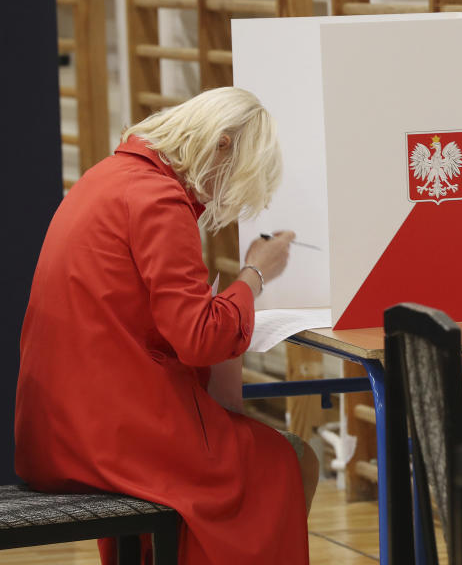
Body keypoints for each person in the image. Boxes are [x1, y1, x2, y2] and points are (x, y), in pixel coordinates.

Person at [15, 87, 318, 565]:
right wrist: (254, 275)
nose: (223, 194)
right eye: (235, 178)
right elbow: (199, 339)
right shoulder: (158, 199)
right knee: (285, 459)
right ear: (220, 144)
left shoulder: (109, 177)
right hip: (108, 434)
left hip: (59, 426)